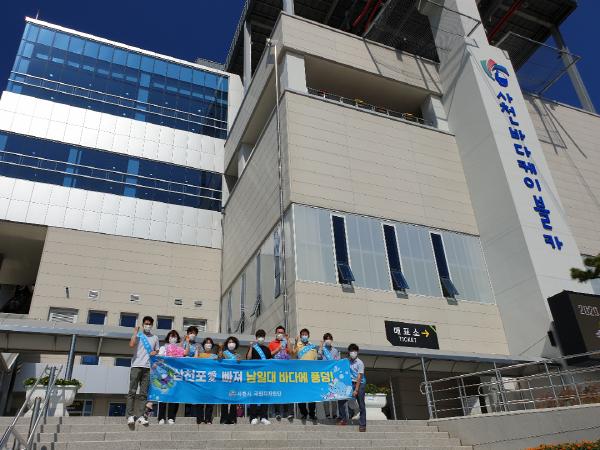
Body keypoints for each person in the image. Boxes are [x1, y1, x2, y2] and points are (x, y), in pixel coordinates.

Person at [126, 316, 159, 426]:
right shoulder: (139, 335)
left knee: (144, 394)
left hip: (148, 368)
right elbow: (131, 345)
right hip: (136, 365)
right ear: (143, 324)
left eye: (149, 324)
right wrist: (135, 333)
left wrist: (155, 352)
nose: (147, 325)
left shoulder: (155, 337)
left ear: (152, 325)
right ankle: (130, 415)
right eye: (146, 323)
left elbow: (157, 350)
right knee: (132, 391)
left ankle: (141, 416)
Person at [157, 330, 185, 424]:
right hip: (164, 374)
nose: (173, 338)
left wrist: (185, 342)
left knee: (174, 395)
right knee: (163, 395)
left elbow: (184, 356)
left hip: (175, 375)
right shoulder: (163, 348)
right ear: (168, 338)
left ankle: (171, 417)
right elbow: (160, 357)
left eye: (175, 337)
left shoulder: (180, 349)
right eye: (171, 336)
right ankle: (161, 417)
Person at [337, 344, 367, 432]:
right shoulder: (347, 361)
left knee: (361, 404)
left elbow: (359, 377)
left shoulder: (360, 363)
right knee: (341, 400)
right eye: (351, 351)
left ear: (357, 352)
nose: (353, 352)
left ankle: (362, 425)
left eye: (354, 351)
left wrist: (356, 390)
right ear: (349, 352)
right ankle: (344, 419)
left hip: (360, 384)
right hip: (349, 383)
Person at [246, 329, 272, 425]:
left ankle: (263, 417)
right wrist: (251, 347)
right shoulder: (253, 348)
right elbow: (248, 358)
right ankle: (253, 417)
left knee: (264, 395)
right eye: (259, 336)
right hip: (254, 375)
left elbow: (270, 361)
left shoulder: (267, 349)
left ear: (264, 338)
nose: (261, 338)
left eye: (262, 336)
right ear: (256, 338)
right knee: (254, 395)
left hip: (264, 375)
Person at [268, 325, 294, 421]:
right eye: (279, 332)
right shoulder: (272, 343)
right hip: (276, 372)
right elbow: (269, 355)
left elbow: (291, 352)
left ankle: (288, 413)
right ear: (276, 333)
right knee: (277, 392)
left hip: (286, 372)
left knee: (287, 391)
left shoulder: (286, 342)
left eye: (282, 333)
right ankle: (277, 413)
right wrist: (278, 349)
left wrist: (288, 340)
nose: (280, 334)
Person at [294, 328, 318, 422]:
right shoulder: (298, 345)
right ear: (300, 336)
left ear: (308, 336)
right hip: (301, 373)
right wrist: (295, 343)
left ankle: (312, 414)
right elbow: (293, 355)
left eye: (306, 334)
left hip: (311, 374)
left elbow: (316, 360)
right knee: (301, 394)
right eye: (302, 334)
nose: (304, 336)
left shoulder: (312, 346)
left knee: (312, 395)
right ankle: (304, 413)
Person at [194, 337, 218, 424]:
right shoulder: (200, 355)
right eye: (206, 343)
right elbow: (194, 361)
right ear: (203, 345)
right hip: (201, 380)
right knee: (200, 400)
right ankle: (199, 419)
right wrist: (197, 351)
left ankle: (208, 419)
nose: (208, 344)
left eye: (210, 343)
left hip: (211, 380)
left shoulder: (214, 356)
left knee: (210, 401)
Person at [318, 332, 340, 419]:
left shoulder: (335, 351)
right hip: (325, 375)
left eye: (329, 338)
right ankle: (327, 414)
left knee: (334, 395)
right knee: (326, 395)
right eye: (326, 339)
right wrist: (320, 347)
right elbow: (319, 358)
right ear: (324, 340)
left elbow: (338, 362)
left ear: (332, 340)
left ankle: (334, 414)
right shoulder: (322, 349)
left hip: (333, 375)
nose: (328, 340)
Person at [219, 336, 240, 424]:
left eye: (233, 342)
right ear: (227, 344)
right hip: (225, 377)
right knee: (224, 398)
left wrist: (239, 361)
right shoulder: (224, 353)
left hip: (234, 378)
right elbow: (219, 358)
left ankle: (232, 418)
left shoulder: (237, 355)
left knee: (233, 398)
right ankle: (224, 418)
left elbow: (240, 365)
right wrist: (220, 348)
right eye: (229, 342)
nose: (231, 344)